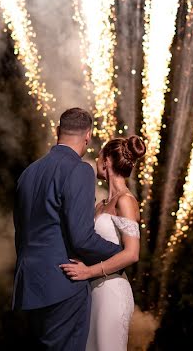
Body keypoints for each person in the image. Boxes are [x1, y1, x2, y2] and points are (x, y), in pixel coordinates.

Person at [13, 108, 123, 350]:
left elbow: (20, 232)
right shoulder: (80, 170)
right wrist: (120, 253)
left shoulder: (28, 173)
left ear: (57, 131)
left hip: (28, 286)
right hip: (63, 285)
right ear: (88, 136)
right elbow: (82, 238)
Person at [60, 135, 146, 351]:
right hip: (93, 292)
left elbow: (132, 253)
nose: (95, 160)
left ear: (107, 160)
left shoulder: (126, 201)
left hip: (113, 291)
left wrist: (88, 272)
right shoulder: (100, 206)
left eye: (99, 155)